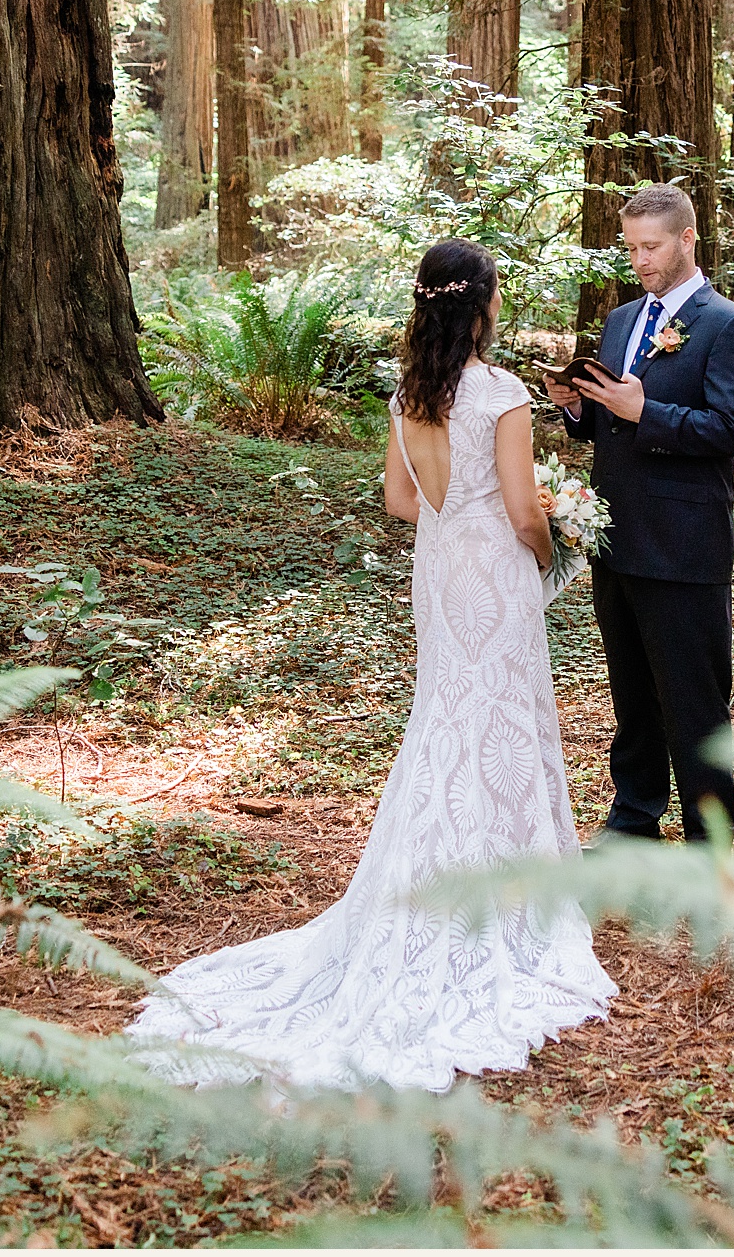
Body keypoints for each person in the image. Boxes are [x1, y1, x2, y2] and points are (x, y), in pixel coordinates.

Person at [125, 238, 613, 1091]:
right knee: (497, 715)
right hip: (493, 573)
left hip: (438, 570)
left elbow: (398, 500)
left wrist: (462, 514)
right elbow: (519, 508)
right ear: (484, 306)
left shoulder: (408, 393)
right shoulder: (500, 391)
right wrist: (550, 543)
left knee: (450, 716)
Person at [545, 184, 734, 845]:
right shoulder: (619, 322)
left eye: (651, 246)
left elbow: (730, 429)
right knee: (632, 698)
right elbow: (606, 429)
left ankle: (712, 842)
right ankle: (633, 821)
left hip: (685, 547)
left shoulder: (727, 325)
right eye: (631, 247)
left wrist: (650, 412)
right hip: (617, 541)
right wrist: (576, 407)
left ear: (687, 239)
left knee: (694, 705)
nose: (639, 260)